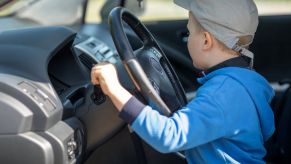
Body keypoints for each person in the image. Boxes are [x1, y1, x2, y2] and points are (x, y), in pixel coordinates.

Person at [91, 0, 275, 163]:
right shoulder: (245, 85)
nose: (188, 37)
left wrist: (114, 89)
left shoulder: (220, 94)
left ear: (205, 41)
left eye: (189, 32)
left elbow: (168, 137)